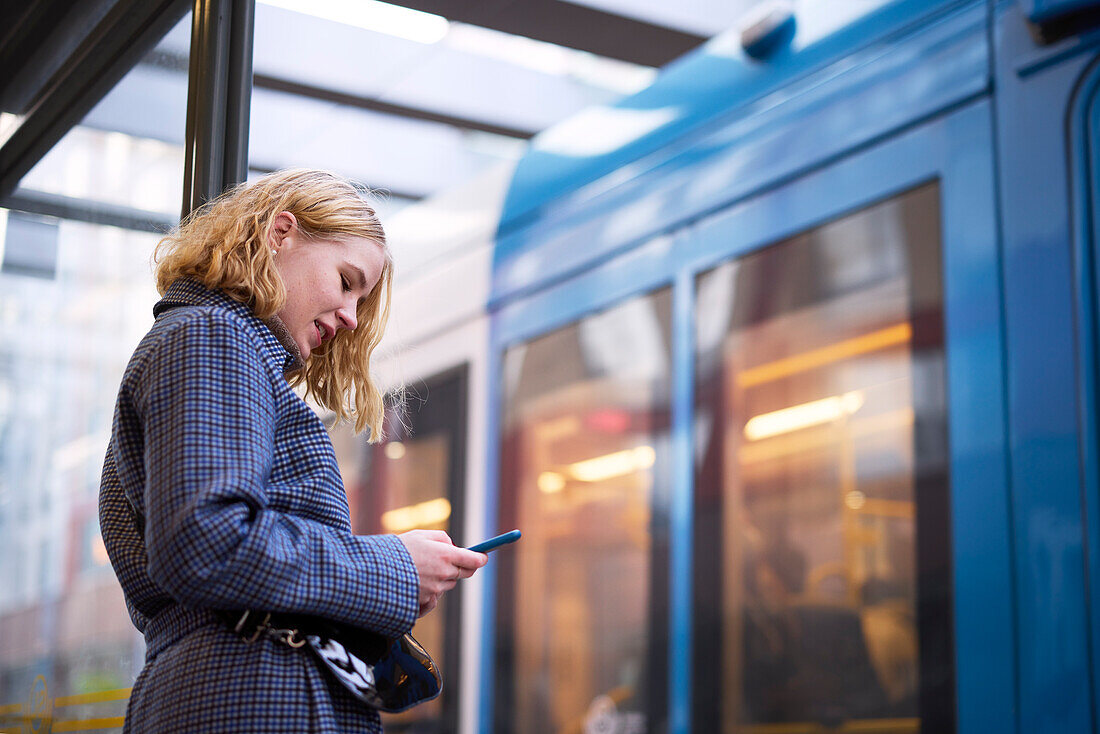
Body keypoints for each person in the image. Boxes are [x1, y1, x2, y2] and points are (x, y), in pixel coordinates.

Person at [97, 168, 487, 732]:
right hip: (252, 698)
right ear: (281, 234)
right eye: (347, 280)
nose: (352, 316)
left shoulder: (207, 342)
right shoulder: (212, 337)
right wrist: (394, 566)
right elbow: (206, 542)